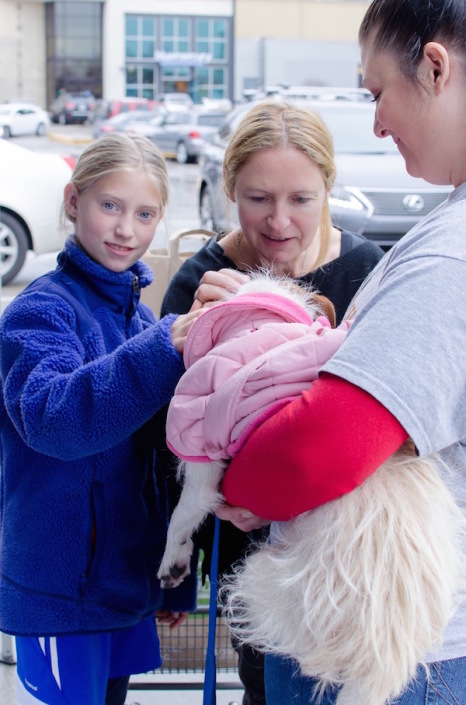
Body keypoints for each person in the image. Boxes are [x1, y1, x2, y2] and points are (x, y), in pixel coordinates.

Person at [210, 1, 466, 703]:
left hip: (390, 652)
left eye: (378, 90)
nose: (377, 121)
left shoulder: (450, 257)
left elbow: (316, 449)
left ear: (435, 68)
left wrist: (234, 484)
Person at [159, 100, 384, 705]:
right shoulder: (202, 283)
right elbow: (178, 432)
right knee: (269, 686)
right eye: (258, 198)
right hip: (252, 556)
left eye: (301, 200)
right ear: (229, 188)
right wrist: (188, 337)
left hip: (352, 552)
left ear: (329, 188)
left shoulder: (369, 273)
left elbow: (389, 420)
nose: (279, 221)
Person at [0, 132, 201, 705]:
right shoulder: (40, 310)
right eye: (109, 205)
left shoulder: (137, 320)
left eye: (144, 214)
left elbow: (158, 466)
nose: (124, 229)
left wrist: (171, 581)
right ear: (73, 201)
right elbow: (53, 418)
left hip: (122, 590)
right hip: (63, 593)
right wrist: (163, 349)